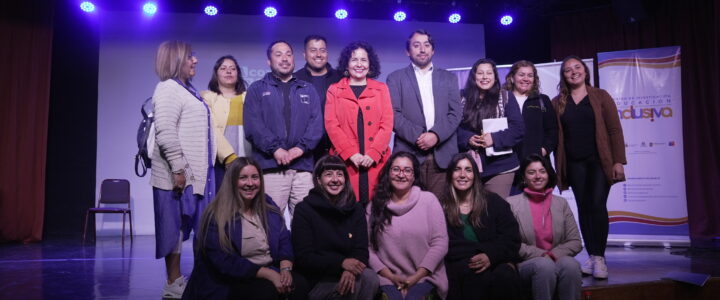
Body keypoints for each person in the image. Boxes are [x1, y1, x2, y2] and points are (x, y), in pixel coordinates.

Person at [182, 158, 309, 299]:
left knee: (300, 285)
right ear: (232, 182)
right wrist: (268, 274)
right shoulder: (216, 214)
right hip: (233, 278)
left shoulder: (268, 206)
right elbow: (224, 262)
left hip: (269, 269)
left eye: (255, 177)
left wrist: (285, 266)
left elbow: (284, 239)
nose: (250, 183)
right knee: (267, 293)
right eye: (243, 178)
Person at [150, 40, 215, 299]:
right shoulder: (167, 89)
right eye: (190, 56)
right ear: (177, 59)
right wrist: (178, 168)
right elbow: (165, 131)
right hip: (175, 176)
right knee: (173, 229)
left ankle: (180, 280)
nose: (195, 60)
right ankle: (173, 282)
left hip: (191, 175)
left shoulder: (186, 89)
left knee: (185, 228)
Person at [552, 55, 626, 279]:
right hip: (574, 163)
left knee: (596, 204)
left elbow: (614, 130)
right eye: (567, 70)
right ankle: (592, 256)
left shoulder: (600, 96)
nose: (573, 72)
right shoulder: (558, 102)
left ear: (585, 71)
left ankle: (600, 257)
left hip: (599, 161)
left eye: (577, 67)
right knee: (584, 207)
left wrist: (618, 161)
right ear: (563, 75)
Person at [244, 40, 324, 225]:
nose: (285, 59)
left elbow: (316, 125)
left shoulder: (307, 89)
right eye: (278, 54)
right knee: (270, 222)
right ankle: (275, 256)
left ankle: (302, 256)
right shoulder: (257, 89)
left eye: (288, 54)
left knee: (306, 223)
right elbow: (253, 126)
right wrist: (276, 150)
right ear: (269, 61)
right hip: (271, 168)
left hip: (303, 168)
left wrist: (299, 149)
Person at [291, 155, 379, 300]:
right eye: (328, 174)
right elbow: (304, 257)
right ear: (318, 180)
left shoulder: (355, 209)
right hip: (318, 279)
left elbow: (361, 249)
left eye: (340, 174)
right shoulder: (304, 209)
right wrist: (342, 264)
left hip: (348, 273)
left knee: (370, 278)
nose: (335, 179)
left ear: (345, 180)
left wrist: (351, 271)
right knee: (354, 286)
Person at [387, 29, 462, 199]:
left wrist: (435, 135)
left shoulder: (449, 78)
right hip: (409, 155)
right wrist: (421, 137)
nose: (422, 49)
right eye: (416, 45)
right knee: (408, 211)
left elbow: (455, 113)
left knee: (442, 211)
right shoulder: (395, 78)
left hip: (443, 156)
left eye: (426, 45)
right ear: (408, 51)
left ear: (432, 50)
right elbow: (394, 115)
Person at [367, 152, 449, 299]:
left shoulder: (429, 201)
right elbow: (368, 248)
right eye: (396, 169)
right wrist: (391, 277)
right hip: (387, 278)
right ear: (388, 172)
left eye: (407, 170)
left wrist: (415, 278)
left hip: (426, 276)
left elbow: (440, 243)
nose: (401, 174)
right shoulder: (374, 206)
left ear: (414, 175)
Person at [441, 153, 522, 300]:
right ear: (450, 174)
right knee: (471, 274)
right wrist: (479, 251)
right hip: (459, 267)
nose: (462, 175)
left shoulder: (494, 202)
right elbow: (445, 244)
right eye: (457, 169)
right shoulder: (440, 207)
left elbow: (511, 238)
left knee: (504, 275)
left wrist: (490, 254)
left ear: (475, 175)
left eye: (468, 170)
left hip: (495, 261)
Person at [325, 41, 393, 204]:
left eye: (364, 60)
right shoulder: (334, 90)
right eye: (354, 60)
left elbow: (387, 123)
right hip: (345, 161)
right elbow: (331, 124)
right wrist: (350, 154)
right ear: (346, 64)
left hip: (376, 160)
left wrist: (374, 153)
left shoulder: (381, 89)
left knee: (376, 208)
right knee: (346, 206)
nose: (359, 64)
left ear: (370, 64)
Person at [507, 154, 582, 300]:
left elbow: (575, 241)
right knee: (544, 266)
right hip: (527, 264)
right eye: (531, 172)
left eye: (542, 171)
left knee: (571, 265)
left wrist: (552, 255)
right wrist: (542, 255)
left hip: (557, 258)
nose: (537, 176)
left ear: (548, 174)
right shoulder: (511, 204)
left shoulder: (561, 204)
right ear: (523, 177)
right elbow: (511, 243)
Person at [457, 58, 524, 199]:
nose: (485, 77)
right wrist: (467, 138)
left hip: (501, 166)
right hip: (469, 166)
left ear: (495, 76)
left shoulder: (506, 96)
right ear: (473, 76)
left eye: (489, 73)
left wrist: (493, 138)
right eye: (480, 73)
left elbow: (518, 128)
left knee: (494, 211)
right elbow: (453, 127)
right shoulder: (461, 97)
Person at [502, 60, 558, 196]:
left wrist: (543, 151)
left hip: (536, 166)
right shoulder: (502, 99)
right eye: (521, 75)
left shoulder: (542, 100)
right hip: (508, 166)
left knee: (537, 209)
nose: (526, 79)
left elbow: (552, 130)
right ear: (512, 77)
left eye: (530, 75)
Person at [201, 55, 251, 191]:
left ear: (238, 74)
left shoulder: (250, 96)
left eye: (232, 69)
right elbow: (210, 129)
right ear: (216, 74)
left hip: (248, 160)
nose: (229, 71)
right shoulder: (207, 97)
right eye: (223, 68)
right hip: (220, 162)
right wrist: (228, 157)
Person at [294, 35, 343, 161]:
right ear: (304, 54)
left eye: (322, 50)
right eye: (313, 50)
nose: (318, 54)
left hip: (336, 148)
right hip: (303, 151)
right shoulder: (295, 80)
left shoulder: (341, 79)